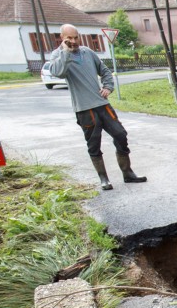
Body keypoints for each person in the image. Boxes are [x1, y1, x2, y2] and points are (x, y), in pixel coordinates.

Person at [46, 24, 146, 191]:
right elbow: (59, 72)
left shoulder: (88, 52)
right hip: (84, 109)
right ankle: (103, 179)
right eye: (69, 38)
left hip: (102, 104)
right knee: (94, 144)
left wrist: (107, 86)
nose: (73, 41)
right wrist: (65, 52)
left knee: (120, 134)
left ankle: (127, 173)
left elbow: (105, 71)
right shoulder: (57, 55)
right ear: (62, 38)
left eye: (76, 37)